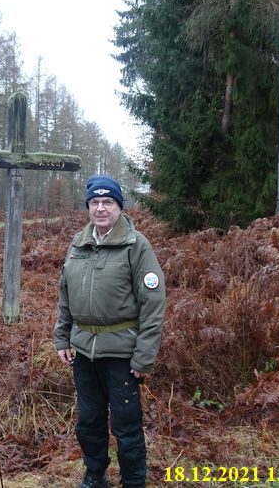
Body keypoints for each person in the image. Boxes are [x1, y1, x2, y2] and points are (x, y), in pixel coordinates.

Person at [53, 174, 166, 488]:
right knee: (89, 421)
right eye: (95, 203)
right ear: (88, 206)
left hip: (122, 354)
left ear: (119, 206)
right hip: (84, 353)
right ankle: (95, 475)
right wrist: (62, 336)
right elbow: (66, 294)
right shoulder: (78, 243)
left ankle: (133, 481)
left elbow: (153, 304)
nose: (100, 209)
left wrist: (144, 357)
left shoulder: (136, 245)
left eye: (108, 202)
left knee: (126, 424)